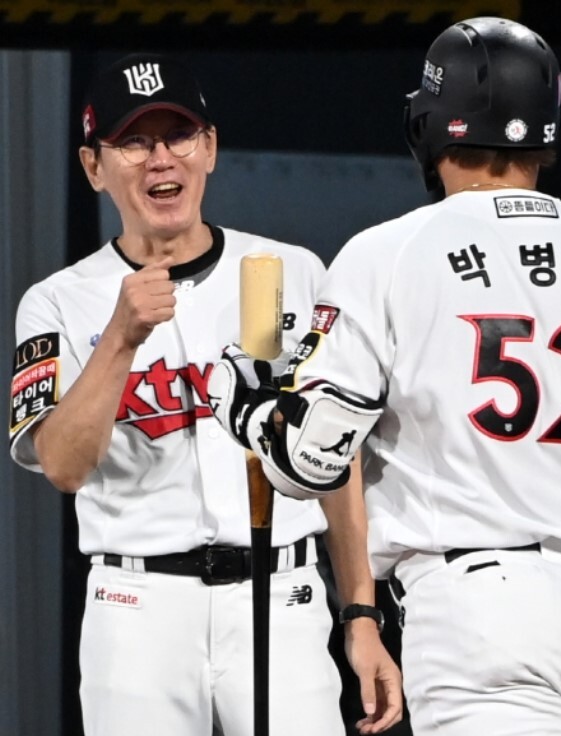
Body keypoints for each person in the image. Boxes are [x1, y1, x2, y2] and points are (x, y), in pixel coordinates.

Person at [208, 17, 561, 736]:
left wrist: (246, 404)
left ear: (428, 126)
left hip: (479, 609)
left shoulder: (392, 252)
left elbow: (314, 458)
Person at [8, 53, 401, 736]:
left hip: (282, 595)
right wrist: (119, 339)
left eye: (179, 135)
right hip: (137, 605)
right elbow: (64, 467)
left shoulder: (294, 272)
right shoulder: (56, 302)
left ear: (210, 149)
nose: (161, 159)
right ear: (93, 166)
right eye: (134, 141)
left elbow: (334, 461)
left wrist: (360, 614)